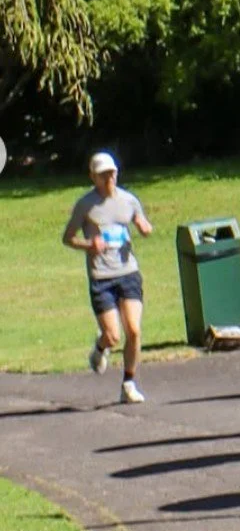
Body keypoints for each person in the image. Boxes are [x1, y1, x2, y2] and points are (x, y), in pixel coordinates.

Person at [62, 150, 153, 404]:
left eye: (111, 172)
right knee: (113, 335)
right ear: (94, 177)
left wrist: (144, 227)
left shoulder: (129, 200)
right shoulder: (85, 205)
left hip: (128, 272)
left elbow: (140, 220)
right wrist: (89, 245)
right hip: (101, 276)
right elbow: (67, 238)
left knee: (133, 331)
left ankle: (128, 383)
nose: (109, 177)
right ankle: (101, 347)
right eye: (103, 174)